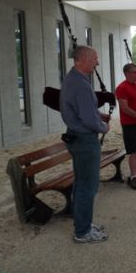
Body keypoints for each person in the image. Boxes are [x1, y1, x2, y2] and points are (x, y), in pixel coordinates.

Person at [60, 45, 110, 244]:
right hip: (84, 139)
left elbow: (83, 110)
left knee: (81, 183)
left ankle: (83, 224)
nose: (97, 62)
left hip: (77, 137)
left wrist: (98, 115)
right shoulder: (80, 83)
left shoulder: (74, 79)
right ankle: (82, 231)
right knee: (87, 186)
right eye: (95, 58)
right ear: (83, 59)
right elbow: (88, 119)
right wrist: (103, 126)